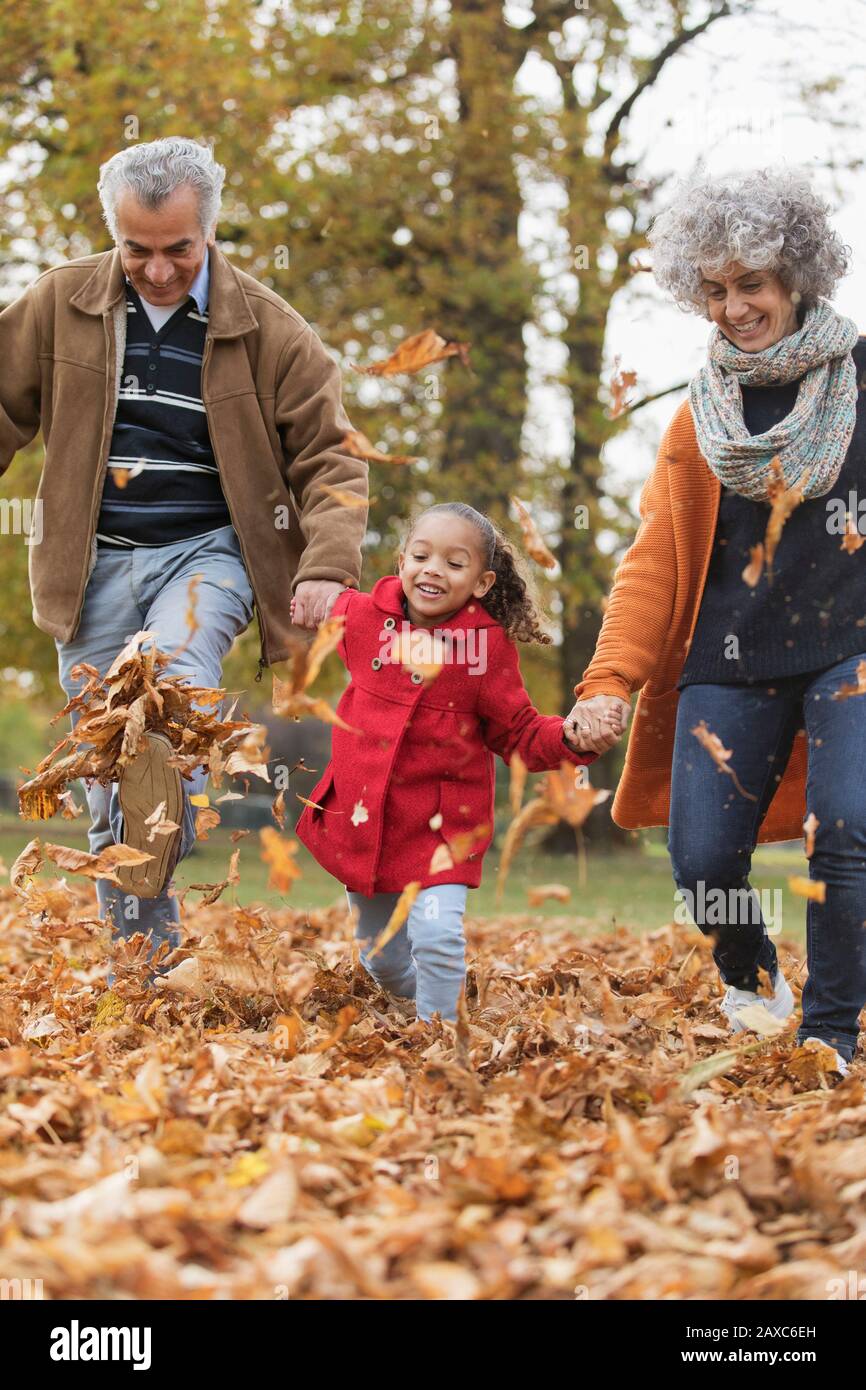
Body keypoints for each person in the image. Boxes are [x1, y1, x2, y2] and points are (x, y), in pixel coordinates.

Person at [0, 136, 367, 955]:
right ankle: (144, 970)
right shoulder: (60, 303)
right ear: (114, 233)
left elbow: (333, 457)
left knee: (161, 692)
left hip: (207, 555)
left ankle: (176, 777)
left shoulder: (270, 328)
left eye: (178, 249)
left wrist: (327, 567)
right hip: (87, 567)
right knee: (107, 777)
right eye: (137, 249)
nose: (158, 269)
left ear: (209, 231)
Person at [566, 167, 864, 1075]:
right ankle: (754, 971)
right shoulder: (700, 424)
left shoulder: (860, 386)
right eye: (718, 290)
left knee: (849, 827)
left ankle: (831, 1032)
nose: (735, 308)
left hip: (850, 650)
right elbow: (654, 562)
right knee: (702, 861)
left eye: (754, 286)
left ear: (798, 279)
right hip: (729, 659)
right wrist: (609, 678)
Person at [295, 502, 602, 1022]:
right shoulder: (362, 616)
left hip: (443, 831)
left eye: (454, 564)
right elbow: (296, 596)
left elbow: (520, 733)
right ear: (401, 561)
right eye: (421, 555)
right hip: (369, 825)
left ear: (481, 583)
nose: (433, 569)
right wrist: (296, 589)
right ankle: (424, 1000)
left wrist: (571, 737)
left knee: (437, 937)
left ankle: (438, 1038)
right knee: (381, 957)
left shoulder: (488, 650)